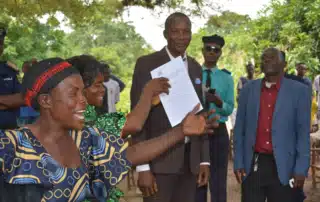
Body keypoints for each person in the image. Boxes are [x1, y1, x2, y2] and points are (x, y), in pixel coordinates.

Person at [0, 58, 219, 202]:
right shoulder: (10, 147)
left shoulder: (84, 140)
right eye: (73, 94)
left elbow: (129, 154)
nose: (82, 101)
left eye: (82, 92)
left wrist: (181, 131)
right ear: (46, 101)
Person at [130, 12, 210, 202]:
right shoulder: (146, 64)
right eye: (176, 32)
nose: (182, 37)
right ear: (166, 34)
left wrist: (204, 159)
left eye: (186, 32)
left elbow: (201, 114)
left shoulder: (196, 67)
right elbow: (137, 118)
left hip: (190, 164)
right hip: (159, 164)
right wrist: (143, 168)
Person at [234, 47, 311, 202]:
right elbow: (239, 129)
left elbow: (303, 134)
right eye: (264, 58)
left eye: (272, 57)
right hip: (254, 163)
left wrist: (301, 168)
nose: (267, 60)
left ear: (284, 64)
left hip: (285, 165)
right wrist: (239, 162)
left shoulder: (299, 91)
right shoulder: (248, 90)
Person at [196, 34, 234, 202]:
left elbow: (229, 108)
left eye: (216, 50)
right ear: (202, 51)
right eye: (208, 49)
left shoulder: (226, 78)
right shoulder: (193, 73)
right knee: (198, 182)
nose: (211, 52)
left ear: (220, 53)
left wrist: (219, 102)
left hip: (218, 133)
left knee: (218, 183)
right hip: (197, 132)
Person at [0, 26, 21, 129]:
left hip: (10, 134)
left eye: (1, 44)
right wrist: (8, 102)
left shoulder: (9, 70)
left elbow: (21, 99)